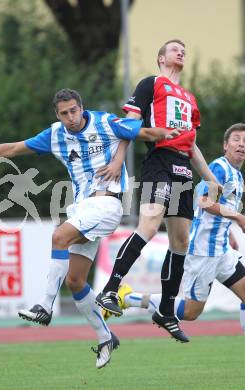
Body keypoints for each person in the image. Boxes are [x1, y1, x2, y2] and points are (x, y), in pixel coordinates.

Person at [0, 88, 180, 369]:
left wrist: (163, 134)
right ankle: (107, 336)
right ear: (57, 114)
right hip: (83, 209)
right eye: (64, 113)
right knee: (75, 281)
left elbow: (137, 131)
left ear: (81, 107)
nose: (70, 117)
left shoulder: (104, 122)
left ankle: (45, 307)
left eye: (74, 110)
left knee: (59, 236)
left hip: (107, 205)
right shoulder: (55, 135)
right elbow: (12, 148)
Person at [95, 39, 221, 343]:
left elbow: (191, 145)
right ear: (161, 58)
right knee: (149, 225)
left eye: (183, 50)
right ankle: (110, 288)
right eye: (174, 49)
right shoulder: (152, 83)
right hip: (159, 162)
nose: (181, 52)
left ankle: (165, 310)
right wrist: (117, 159)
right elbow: (129, 124)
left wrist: (210, 179)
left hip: (182, 168)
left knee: (180, 241)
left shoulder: (190, 99)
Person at [103, 123, 245, 334]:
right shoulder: (220, 167)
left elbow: (219, 210)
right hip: (203, 253)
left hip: (222, 251)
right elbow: (205, 202)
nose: (241, 144)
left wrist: (230, 231)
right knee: (190, 312)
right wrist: (238, 217)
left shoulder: (238, 177)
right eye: (236, 139)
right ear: (225, 145)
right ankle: (128, 297)